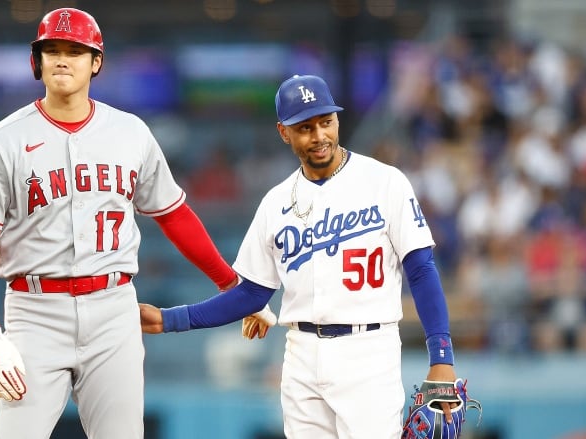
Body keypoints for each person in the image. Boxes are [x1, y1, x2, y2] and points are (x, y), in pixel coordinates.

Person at [0, 8, 239, 439]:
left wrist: (232, 286)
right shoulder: (0, 141)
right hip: (35, 311)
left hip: (113, 307)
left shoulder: (131, 132)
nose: (62, 59)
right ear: (37, 61)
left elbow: (173, 213)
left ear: (96, 62)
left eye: (74, 51)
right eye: (52, 50)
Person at [140, 74, 460, 438]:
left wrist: (442, 356)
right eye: (305, 127)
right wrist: (170, 319)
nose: (319, 135)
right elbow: (251, 294)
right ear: (284, 132)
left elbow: (420, 270)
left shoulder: (385, 181)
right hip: (301, 353)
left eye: (326, 122)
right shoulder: (276, 202)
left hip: (368, 350)